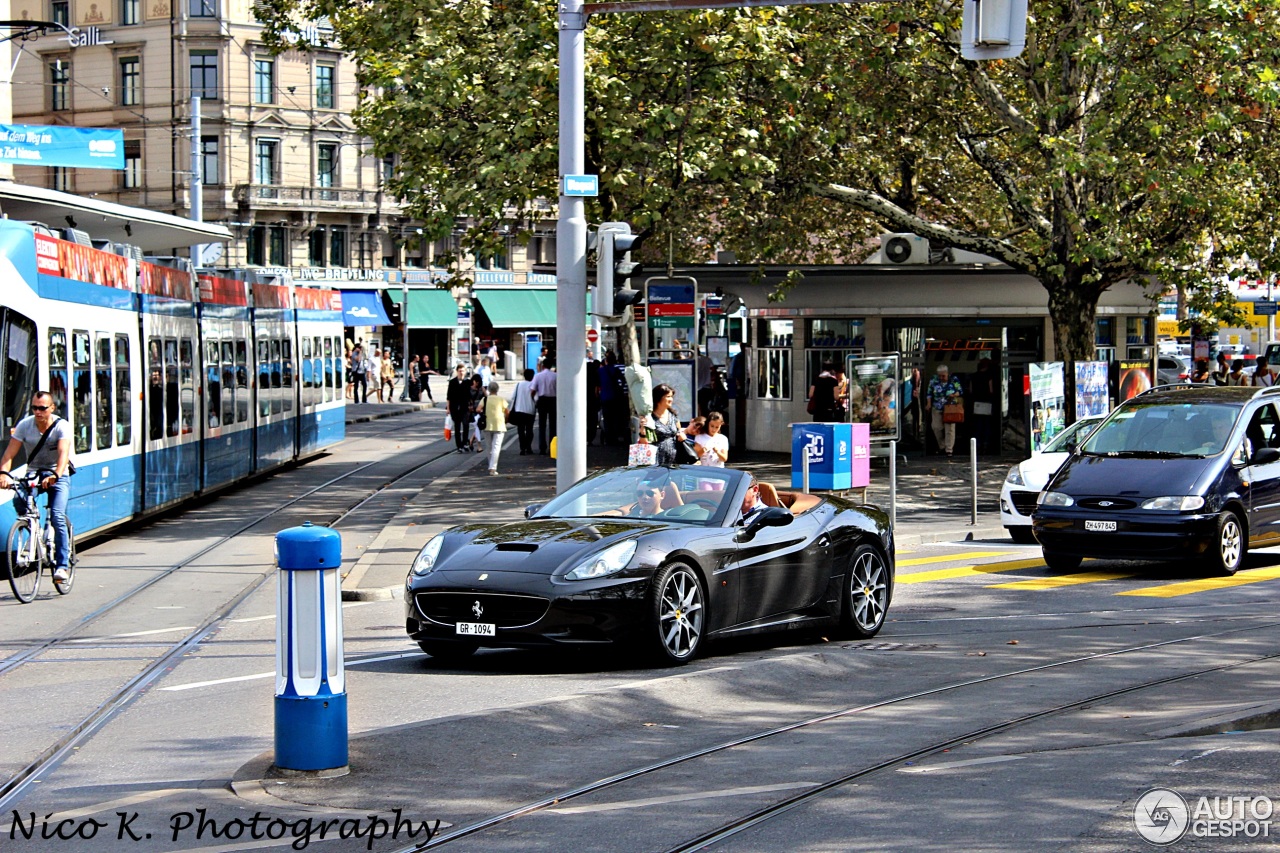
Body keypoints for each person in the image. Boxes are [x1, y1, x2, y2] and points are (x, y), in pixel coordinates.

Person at [0, 392, 73, 583]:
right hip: (34, 472)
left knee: (57, 515)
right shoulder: (25, 425)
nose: (38, 412)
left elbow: (63, 454)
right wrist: (3, 474)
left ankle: (62, 566)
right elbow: (9, 454)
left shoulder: (61, 426)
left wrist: (56, 475)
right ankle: (33, 529)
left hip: (58, 474)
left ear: (52, 408)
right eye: (34, 408)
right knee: (19, 499)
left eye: (42, 408)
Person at [639, 383, 686, 465]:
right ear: (658, 398)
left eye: (671, 396)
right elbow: (644, 443)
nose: (671, 399)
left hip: (675, 460)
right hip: (655, 461)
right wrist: (642, 431)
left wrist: (682, 435)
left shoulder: (673, 416)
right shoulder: (649, 418)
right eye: (668, 396)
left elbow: (679, 432)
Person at [926, 364, 964, 458]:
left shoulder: (954, 379)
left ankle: (949, 450)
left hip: (950, 407)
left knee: (949, 429)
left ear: (947, 373)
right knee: (936, 427)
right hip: (937, 406)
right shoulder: (934, 380)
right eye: (940, 375)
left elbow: (960, 391)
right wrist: (928, 404)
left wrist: (954, 395)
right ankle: (942, 446)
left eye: (943, 375)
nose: (941, 377)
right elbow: (929, 393)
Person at [969, 358, 997, 453]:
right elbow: (991, 390)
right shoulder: (989, 376)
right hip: (987, 401)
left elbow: (971, 390)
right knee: (987, 424)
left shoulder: (973, 376)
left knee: (978, 424)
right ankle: (986, 442)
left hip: (977, 402)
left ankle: (977, 443)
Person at [530, 358, 558, 455]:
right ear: (551, 366)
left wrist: (534, 399)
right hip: (553, 400)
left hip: (542, 400)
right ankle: (552, 448)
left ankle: (542, 447)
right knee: (553, 425)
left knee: (542, 425)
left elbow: (533, 390)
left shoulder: (538, 376)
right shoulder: (556, 376)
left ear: (543, 366)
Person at [509, 368, 537, 454]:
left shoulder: (518, 385)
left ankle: (522, 448)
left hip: (519, 410)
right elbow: (536, 398)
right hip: (530, 410)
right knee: (529, 430)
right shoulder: (533, 385)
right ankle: (528, 447)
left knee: (520, 430)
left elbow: (513, 397)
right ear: (532, 376)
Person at [483, 381, 508, 474]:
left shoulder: (485, 399)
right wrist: (506, 420)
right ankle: (493, 468)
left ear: (488, 389)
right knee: (496, 447)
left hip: (487, 425)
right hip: (499, 425)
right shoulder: (501, 399)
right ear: (497, 389)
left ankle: (491, 466)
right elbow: (507, 411)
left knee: (489, 447)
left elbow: (478, 409)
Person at [446, 364, 471, 453]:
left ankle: (465, 443)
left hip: (465, 408)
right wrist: (448, 408)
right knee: (457, 427)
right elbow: (448, 396)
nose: (461, 372)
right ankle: (459, 446)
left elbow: (471, 395)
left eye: (463, 371)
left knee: (466, 425)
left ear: (465, 371)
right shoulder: (452, 382)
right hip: (454, 408)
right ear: (457, 371)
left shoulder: (468, 382)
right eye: (460, 371)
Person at [469, 374, 487, 452]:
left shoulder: (481, 388)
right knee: (477, 426)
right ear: (473, 381)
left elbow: (487, 398)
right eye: (476, 382)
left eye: (479, 383)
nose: (477, 384)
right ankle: (479, 445)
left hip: (480, 411)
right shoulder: (469, 389)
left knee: (479, 426)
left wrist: (483, 390)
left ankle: (472, 440)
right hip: (472, 412)